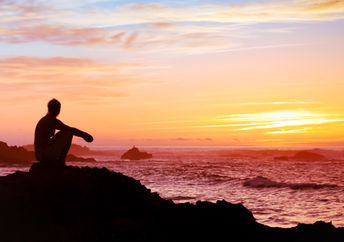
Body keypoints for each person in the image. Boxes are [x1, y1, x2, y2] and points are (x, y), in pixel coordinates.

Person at [34, 98, 93, 165]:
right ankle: (61, 161)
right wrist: (85, 135)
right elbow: (71, 130)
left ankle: (58, 161)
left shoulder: (46, 119)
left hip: (40, 155)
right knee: (68, 133)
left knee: (63, 132)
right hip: (43, 155)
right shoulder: (50, 120)